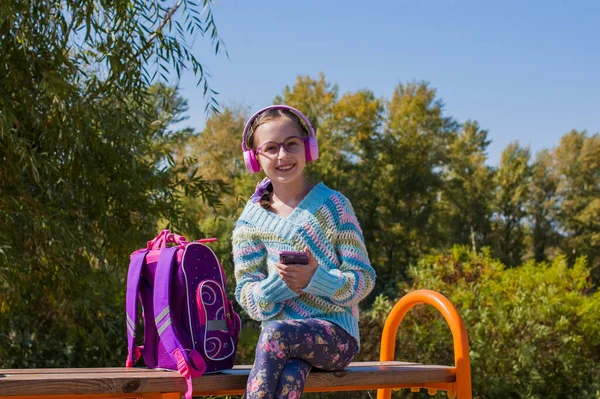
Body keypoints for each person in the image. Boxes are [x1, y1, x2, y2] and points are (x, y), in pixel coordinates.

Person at [232, 105, 376, 399]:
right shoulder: (248, 223)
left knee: (274, 333)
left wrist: (316, 278)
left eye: (291, 144)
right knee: (290, 379)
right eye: (270, 148)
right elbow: (246, 293)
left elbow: (363, 279)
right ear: (254, 158)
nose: (283, 156)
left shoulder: (335, 207)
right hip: (283, 348)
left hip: (336, 337)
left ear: (308, 148)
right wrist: (278, 286)